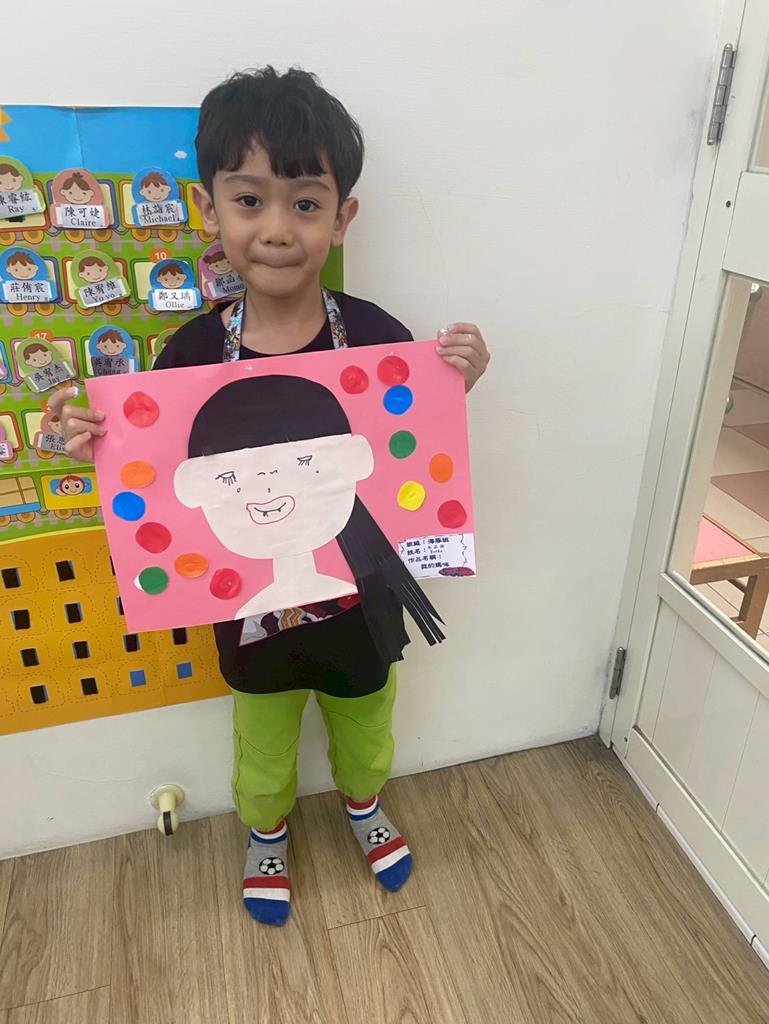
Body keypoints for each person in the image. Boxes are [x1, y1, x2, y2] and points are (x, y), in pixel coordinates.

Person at [51, 66, 490, 928]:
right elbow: (156, 486)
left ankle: (364, 806)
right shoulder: (184, 358)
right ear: (209, 210)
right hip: (247, 616)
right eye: (249, 200)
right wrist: (95, 441)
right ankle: (266, 830)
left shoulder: (378, 340)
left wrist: (452, 387)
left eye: (305, 203)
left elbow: (406, 460)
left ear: (341, 218)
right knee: (260, 744)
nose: (277, 228)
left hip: (363, 608)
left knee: (367, 728)